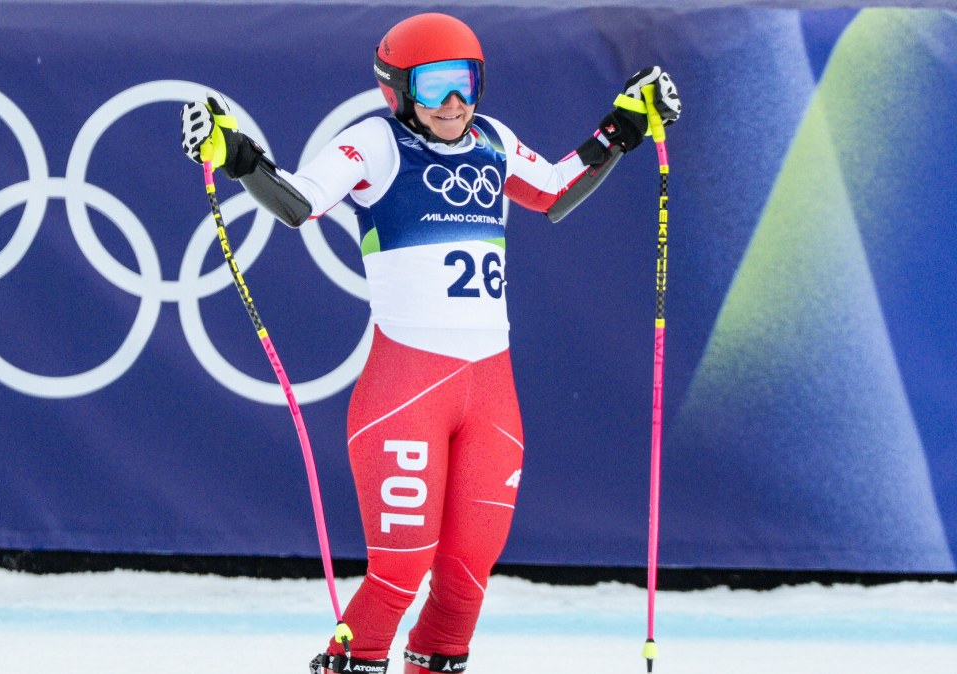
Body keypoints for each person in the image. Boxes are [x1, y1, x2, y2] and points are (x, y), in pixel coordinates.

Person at [179, 12, 680, 674]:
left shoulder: (493, 139)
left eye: (467, 83)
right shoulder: (374, 145)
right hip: (407, 391)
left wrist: (624, 127)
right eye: (437, 85)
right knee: (398, 577)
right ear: (397, 90)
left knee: (465, 585)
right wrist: (239, 157)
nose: (454, 103)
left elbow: (554, 192)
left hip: (491, 395)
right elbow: (299, 202)